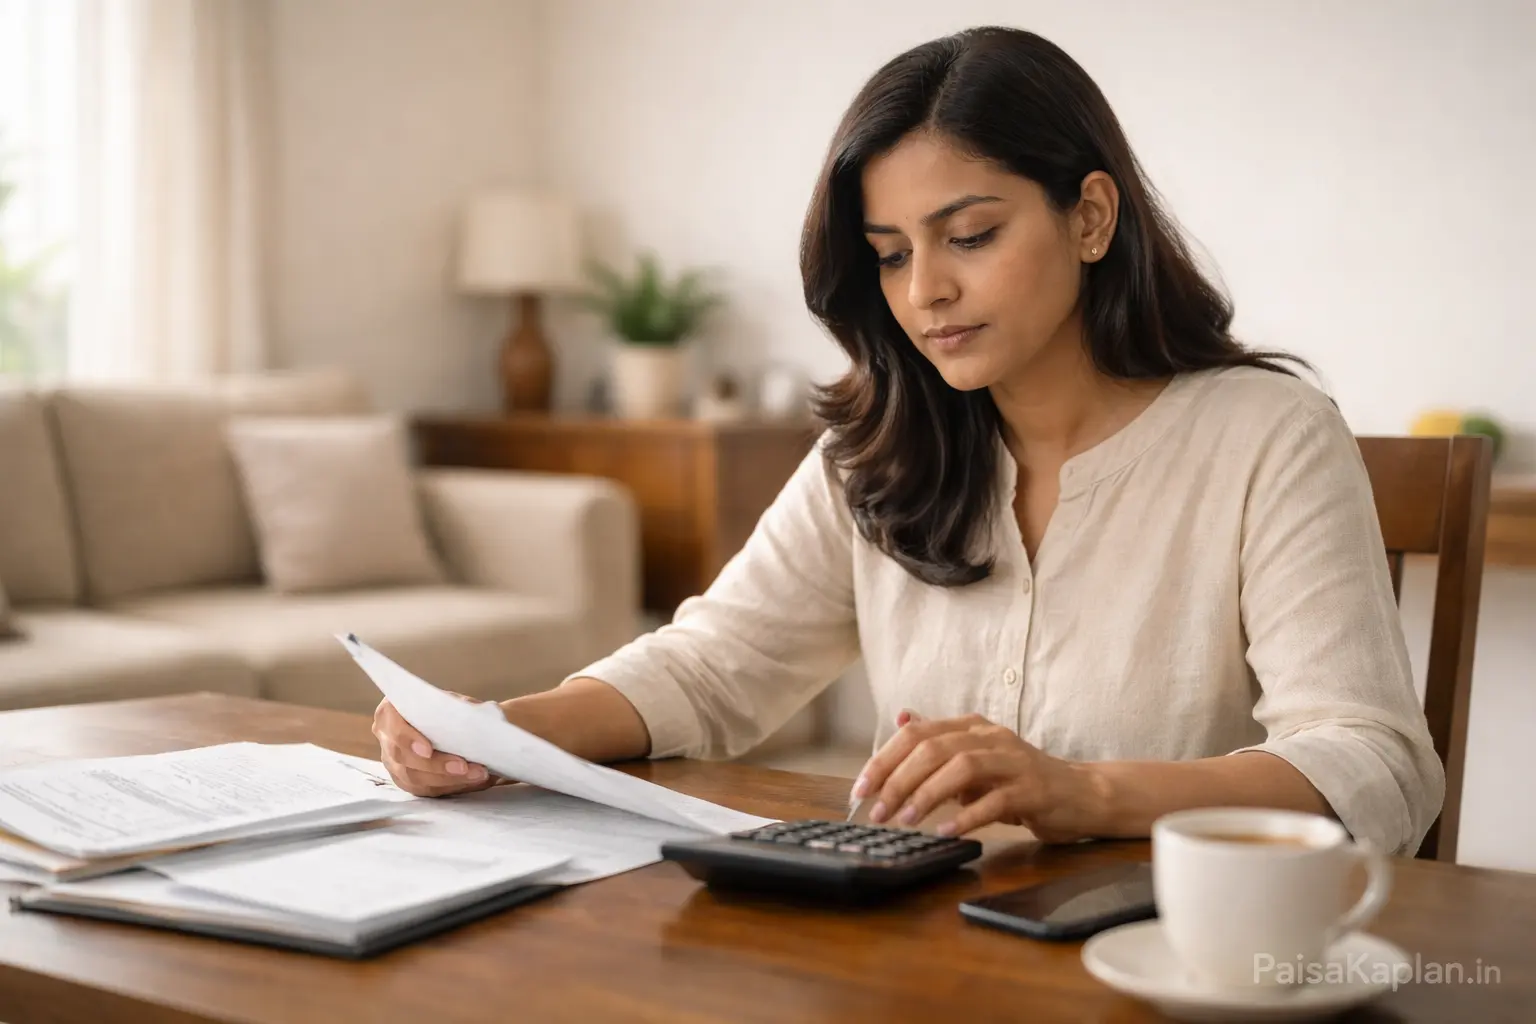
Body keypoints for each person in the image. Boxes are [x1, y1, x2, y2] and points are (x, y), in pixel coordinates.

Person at [373, 27, 1443, 857]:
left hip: (1175, 954)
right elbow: (713, 667)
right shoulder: (882, 443)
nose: (925, 290)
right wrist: (504, 731)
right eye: (889, 254)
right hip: (930, 955)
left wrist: (1084, 792)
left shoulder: (1269, 437)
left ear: (1091, 217)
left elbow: (1375, 765)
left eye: (969, 236)